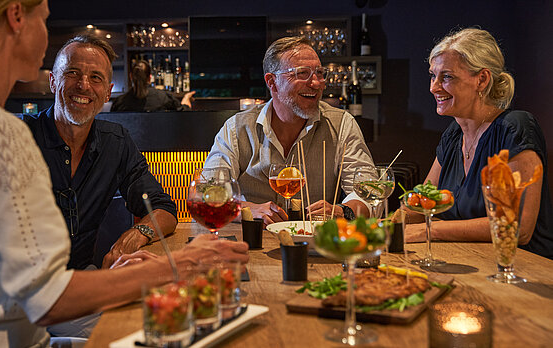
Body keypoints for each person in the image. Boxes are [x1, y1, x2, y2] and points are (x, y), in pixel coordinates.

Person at [0, 1, 249, 347]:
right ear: (16, 17)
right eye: (46, 18)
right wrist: (179, 264)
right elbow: (48, 298)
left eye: (96, 77)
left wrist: (136, 247)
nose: (84, 85)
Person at [22, 35, 177, 271]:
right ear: (53, 82)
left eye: (96, 78)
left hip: (83, 278)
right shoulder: (18, 137)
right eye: (72, 73)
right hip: (18, 286)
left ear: (107, 93)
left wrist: (136, 234)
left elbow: (164, 210)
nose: (84, 85)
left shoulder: (115, 141)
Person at [404, 28, 552, 259]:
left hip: (523, 270)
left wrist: (430, 230)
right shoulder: (453, 135)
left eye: (447, 77)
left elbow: (517, 226)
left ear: (482, 79)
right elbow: (421, 205)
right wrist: (375, 224)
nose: (434, 87)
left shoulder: (515, 127)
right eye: (433, 75)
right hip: (470, 260)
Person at [204, 36, 375, 225]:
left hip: (316, 243)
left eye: (319, 73)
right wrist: (248, 209)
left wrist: (343, 211)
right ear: (272, 82)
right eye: (303, 73)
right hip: (252, 243)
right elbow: (209, 194)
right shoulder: (236, 129)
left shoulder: (342, 124)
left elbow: (369, 193)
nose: (317, 83)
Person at [110, 59, 195, 112]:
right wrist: (186, 98)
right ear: (150, 77)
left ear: (131, 76)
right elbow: (184, 114)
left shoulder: (119, 102)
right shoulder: (164, 98)